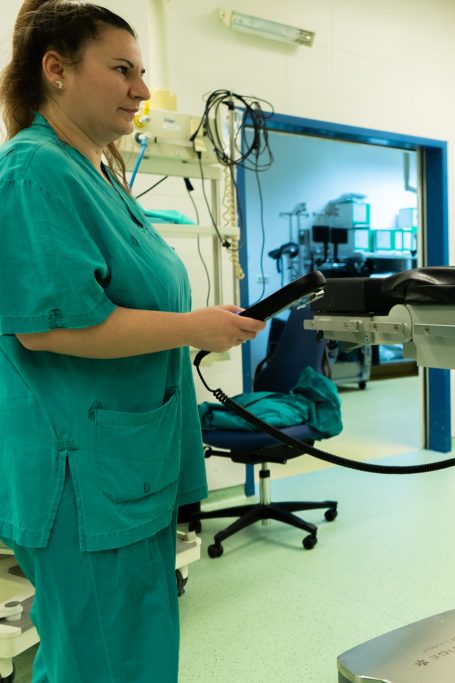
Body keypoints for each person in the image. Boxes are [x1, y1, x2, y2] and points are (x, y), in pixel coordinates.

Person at [0, 2, 265, 680]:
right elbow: (49, 324)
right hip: (84, 478)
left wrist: (199, 320)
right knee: (100, 662)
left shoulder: (95, 172)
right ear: (56, 69)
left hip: (126, 466)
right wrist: (193, 328)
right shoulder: (35, 172)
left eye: (141, 72)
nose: (142, 90)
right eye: (122, 70)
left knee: (132, 653)